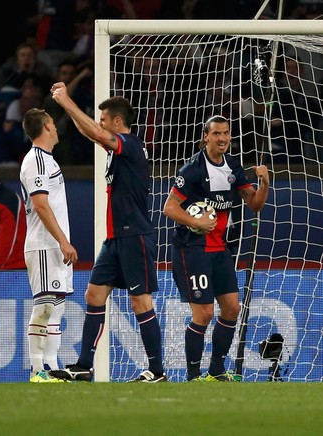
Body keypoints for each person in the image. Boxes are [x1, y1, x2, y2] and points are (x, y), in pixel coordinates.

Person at [48, 86, 166, 383]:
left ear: (117, 122)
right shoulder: (117, 146)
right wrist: (68, 109)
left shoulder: (132, 144)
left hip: (135, 235)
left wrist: (66, 100)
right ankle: (85, 365)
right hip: (116, 239)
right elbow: (92, 133)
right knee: (94, 294)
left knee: (141, 303)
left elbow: (97, 134)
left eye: (103, 119)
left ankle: (157, 370)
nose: (99, 124)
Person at [162, 115, 270, 382]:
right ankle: (193, 375)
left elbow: (254, 204)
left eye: (226, 134)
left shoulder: (233, 168)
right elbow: (170, 207)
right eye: (217, 134)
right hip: (192, 249)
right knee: (205, 312)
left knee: (232, 309)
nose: (222, 138)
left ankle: (216, 371)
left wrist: (265, 183)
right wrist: (196, 221)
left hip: (220, 249)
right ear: (206, 137)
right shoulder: (192, 170)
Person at [18, 108, 76, 384]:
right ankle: (36, 369)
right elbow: (40, 204)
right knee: (43, 307)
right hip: (43, 244)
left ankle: (52, 366)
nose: (56, 127)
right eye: (52, 123)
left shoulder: (49, 161)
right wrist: (63, 241)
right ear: (45, 127)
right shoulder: (35, 161)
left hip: (54, 245)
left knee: (57, 308)